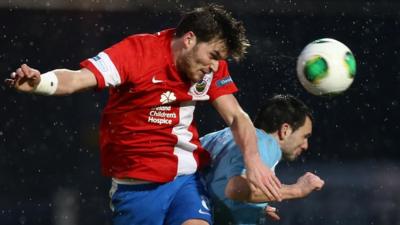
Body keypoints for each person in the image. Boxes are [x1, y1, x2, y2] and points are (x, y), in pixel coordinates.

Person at [5, 4, 282, 225]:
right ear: (189, 39)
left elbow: (237, 117)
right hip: (136, 188)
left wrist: (253, 160)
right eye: (212, 55)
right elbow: (77, 79)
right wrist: (40, 83)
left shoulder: (210, 69)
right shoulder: (137, 52)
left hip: (186, 180)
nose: (214, 66)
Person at [201, 94, 325, 225]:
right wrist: (297, 189)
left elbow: (202, 181)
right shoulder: (267, 143)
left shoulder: (219, 136)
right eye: (304, 136)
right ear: (285, 130)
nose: (306, 145)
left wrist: (248, 206)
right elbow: (235, 188)